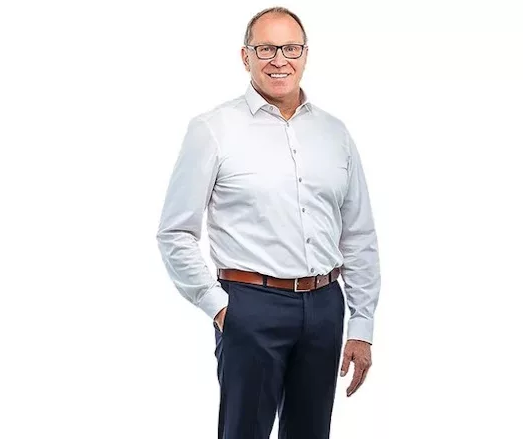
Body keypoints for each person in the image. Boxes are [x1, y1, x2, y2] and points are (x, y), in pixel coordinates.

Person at [155, 6, 381, 438]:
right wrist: (220, 307)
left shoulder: (335, 133)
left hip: (324, 306)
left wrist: (362, 325)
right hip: (250, 306)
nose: (280, 60)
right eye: (266, 49)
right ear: (246, 56)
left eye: (291, 48)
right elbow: (175, 232)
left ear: (305, 54)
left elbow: (359, 234)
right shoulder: (213, 129)